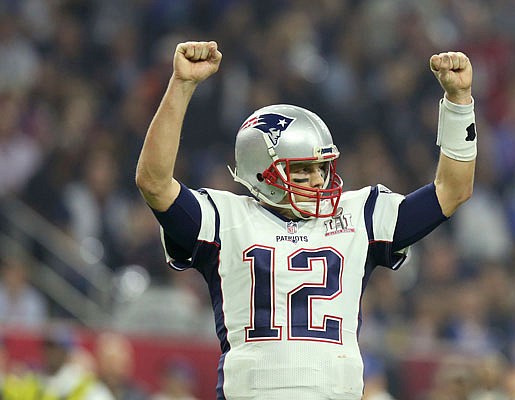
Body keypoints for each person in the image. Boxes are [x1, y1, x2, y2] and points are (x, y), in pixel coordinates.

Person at [136, 41, 477, 399]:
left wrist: (459, 102)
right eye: (301, 171)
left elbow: (452, 190)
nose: (317, 181)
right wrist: (181, 85)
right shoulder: (225, 219)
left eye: (321, 168)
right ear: (260, 173)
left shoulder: (360, 214)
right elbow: (154, 183)